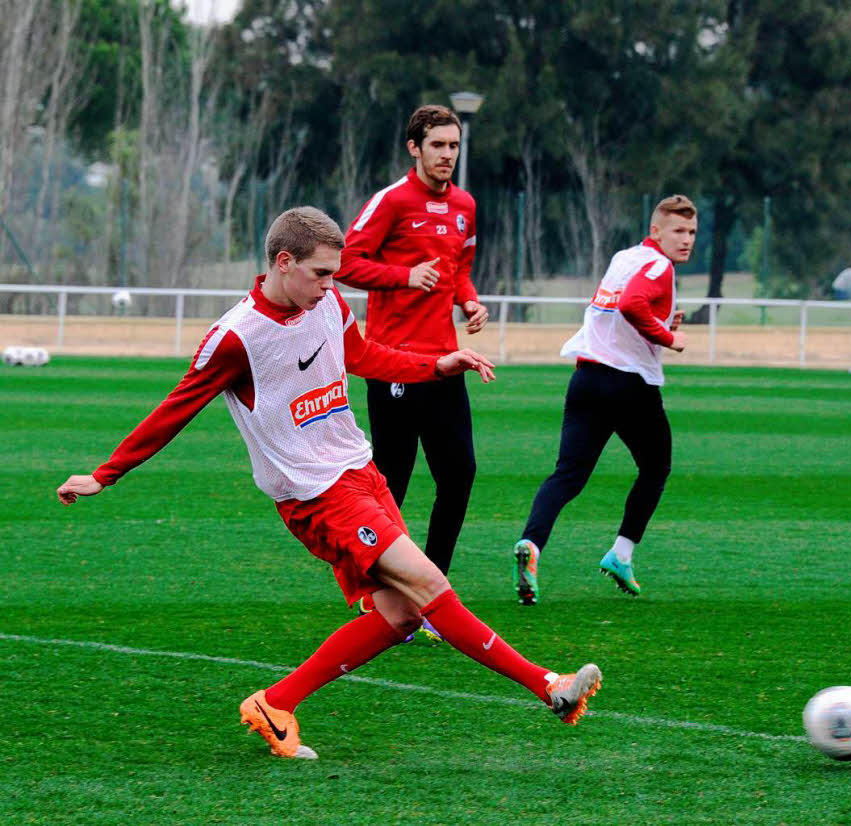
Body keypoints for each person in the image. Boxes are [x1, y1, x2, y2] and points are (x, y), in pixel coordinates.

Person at [56, 207, 601, 759]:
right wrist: (105, 475)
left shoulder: (330, 303)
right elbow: (175, 407)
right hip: (315, 495)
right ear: (283, 261)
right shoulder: (235, 337)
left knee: (402, 613)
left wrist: (436, 366)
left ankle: (276, 701)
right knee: (429, 583)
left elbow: (362, 355)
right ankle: (547, 686)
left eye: (334, 274)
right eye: (320, 273)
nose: (330, 285)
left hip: (362, 473)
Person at [336, 106, 487, 629]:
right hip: (394, 363)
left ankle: (431, 590)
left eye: (454, 145)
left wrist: (468, 301)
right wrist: (403, 276)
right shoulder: (392, 201)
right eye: (438, 145)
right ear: (414, 147)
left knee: (459, 474)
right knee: (391, 484)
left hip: (445, 363)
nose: (447, 154)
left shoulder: (466, 205)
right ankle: (377, 590)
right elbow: (346, 263)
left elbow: (458, 269)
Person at [513, 195, 695, 605]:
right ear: (656, 232)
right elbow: (632, 305)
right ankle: (621, 554)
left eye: (691, 232)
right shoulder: (660, 265)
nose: (686, 240)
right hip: (629, 386)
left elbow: (618, 308)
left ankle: (531, 546)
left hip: (586, 378)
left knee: (567, 476)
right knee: (656, 467)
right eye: (678, 231)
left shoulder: (624, 257)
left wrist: (662, 319)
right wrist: (670, 337)